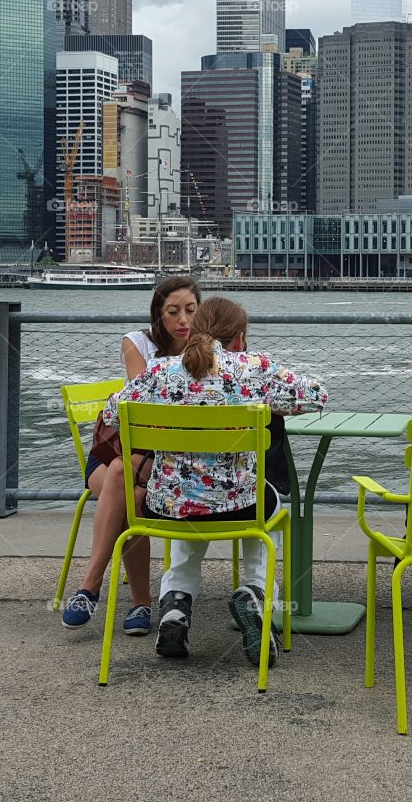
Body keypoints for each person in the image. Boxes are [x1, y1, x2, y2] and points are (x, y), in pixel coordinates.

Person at [101, 297, 328, 666]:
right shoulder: (255, 368)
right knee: (265, 503)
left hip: (168, 507)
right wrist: (266, 403)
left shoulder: (160, 371)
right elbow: (317, 395)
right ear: (239, 338)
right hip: (240, 507)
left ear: (194, 328)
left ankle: (175, 608)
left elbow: (112, 412)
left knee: (187, 507)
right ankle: (253, 592)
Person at [61, 276, 201, 635]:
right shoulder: (136, 342)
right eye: (173, 312)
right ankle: (129, 598)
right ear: (158, 314)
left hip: (167, 460)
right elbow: (143, 400)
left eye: (190, 311)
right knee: (125, 480)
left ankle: (97, 591)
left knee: (130, 487)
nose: (183, 320)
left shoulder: (204, 349)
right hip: (118, 450)